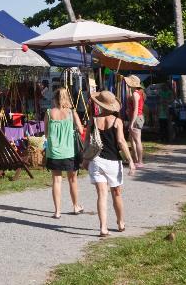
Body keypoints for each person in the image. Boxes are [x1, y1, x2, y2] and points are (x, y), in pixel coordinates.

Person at [87, 90, 137, 237]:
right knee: (116, 193)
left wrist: (85, 159)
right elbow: (121, 142)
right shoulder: (117, 121)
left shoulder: (93, 120)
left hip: (96, 160)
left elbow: (87, 142)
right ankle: (121, 222)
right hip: (113, 162)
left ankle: (103, 228)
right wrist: (130, 160)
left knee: (101, 195)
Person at [45, 87, 85, 219]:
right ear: (67, 98)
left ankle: (57, 211)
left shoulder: (49, 113)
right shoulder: (71, 113)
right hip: (69, 152)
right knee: (72, 180)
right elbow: (80, 130)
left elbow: (46, 133)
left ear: (55, 99)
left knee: (56, 181)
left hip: (54, 152)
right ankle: (75, 206)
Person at [123, 75, 145, 166]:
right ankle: (135, 159)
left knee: (137, 140)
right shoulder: (139, 92)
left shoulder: (136, 94)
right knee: (132, 139)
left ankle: (140, 161)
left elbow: (136, 109)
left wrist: (132, 123)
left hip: (136, 118)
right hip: (137, 117)